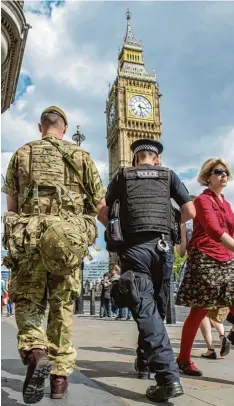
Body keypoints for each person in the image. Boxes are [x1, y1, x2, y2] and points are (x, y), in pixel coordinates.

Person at [1, 106, 106, 403]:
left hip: (30, 241)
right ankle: (59, 380)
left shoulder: (21, 154)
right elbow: (101, 206)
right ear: (64, 127)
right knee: (62, 308)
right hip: (67, 244)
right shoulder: (81, 156)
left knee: (28, 301)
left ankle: (36, 353)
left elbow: (11, 207)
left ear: (40, 127)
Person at [98, 138, 196, 403]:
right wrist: (169, 220)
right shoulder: (169, 175)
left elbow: (101, 210)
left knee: (146, 309)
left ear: (135, 158)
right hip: (163, 250)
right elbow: (190, 210)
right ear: (157, 158)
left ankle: (167, 377)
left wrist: (117, 228)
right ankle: (144, 362)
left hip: (135, 250)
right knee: (155, 309)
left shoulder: (123, 176)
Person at [176, 158, 234, 376]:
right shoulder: (202, 200)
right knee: (199, 310)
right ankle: (183, 359)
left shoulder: (226, 204)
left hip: (227, 258)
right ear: (207, 177)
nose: (223, 174)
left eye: (226, 171)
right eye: (218, 171)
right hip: (205, 257)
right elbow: (213, 230)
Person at [175, 201, 230, 360]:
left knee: (200, 309)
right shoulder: (214, 218)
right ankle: (222, 335)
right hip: (220, 264)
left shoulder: (186, 223)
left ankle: (210, 348)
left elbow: (181, 251)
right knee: (212, 307)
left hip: (198, 265)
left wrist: (181, 230)